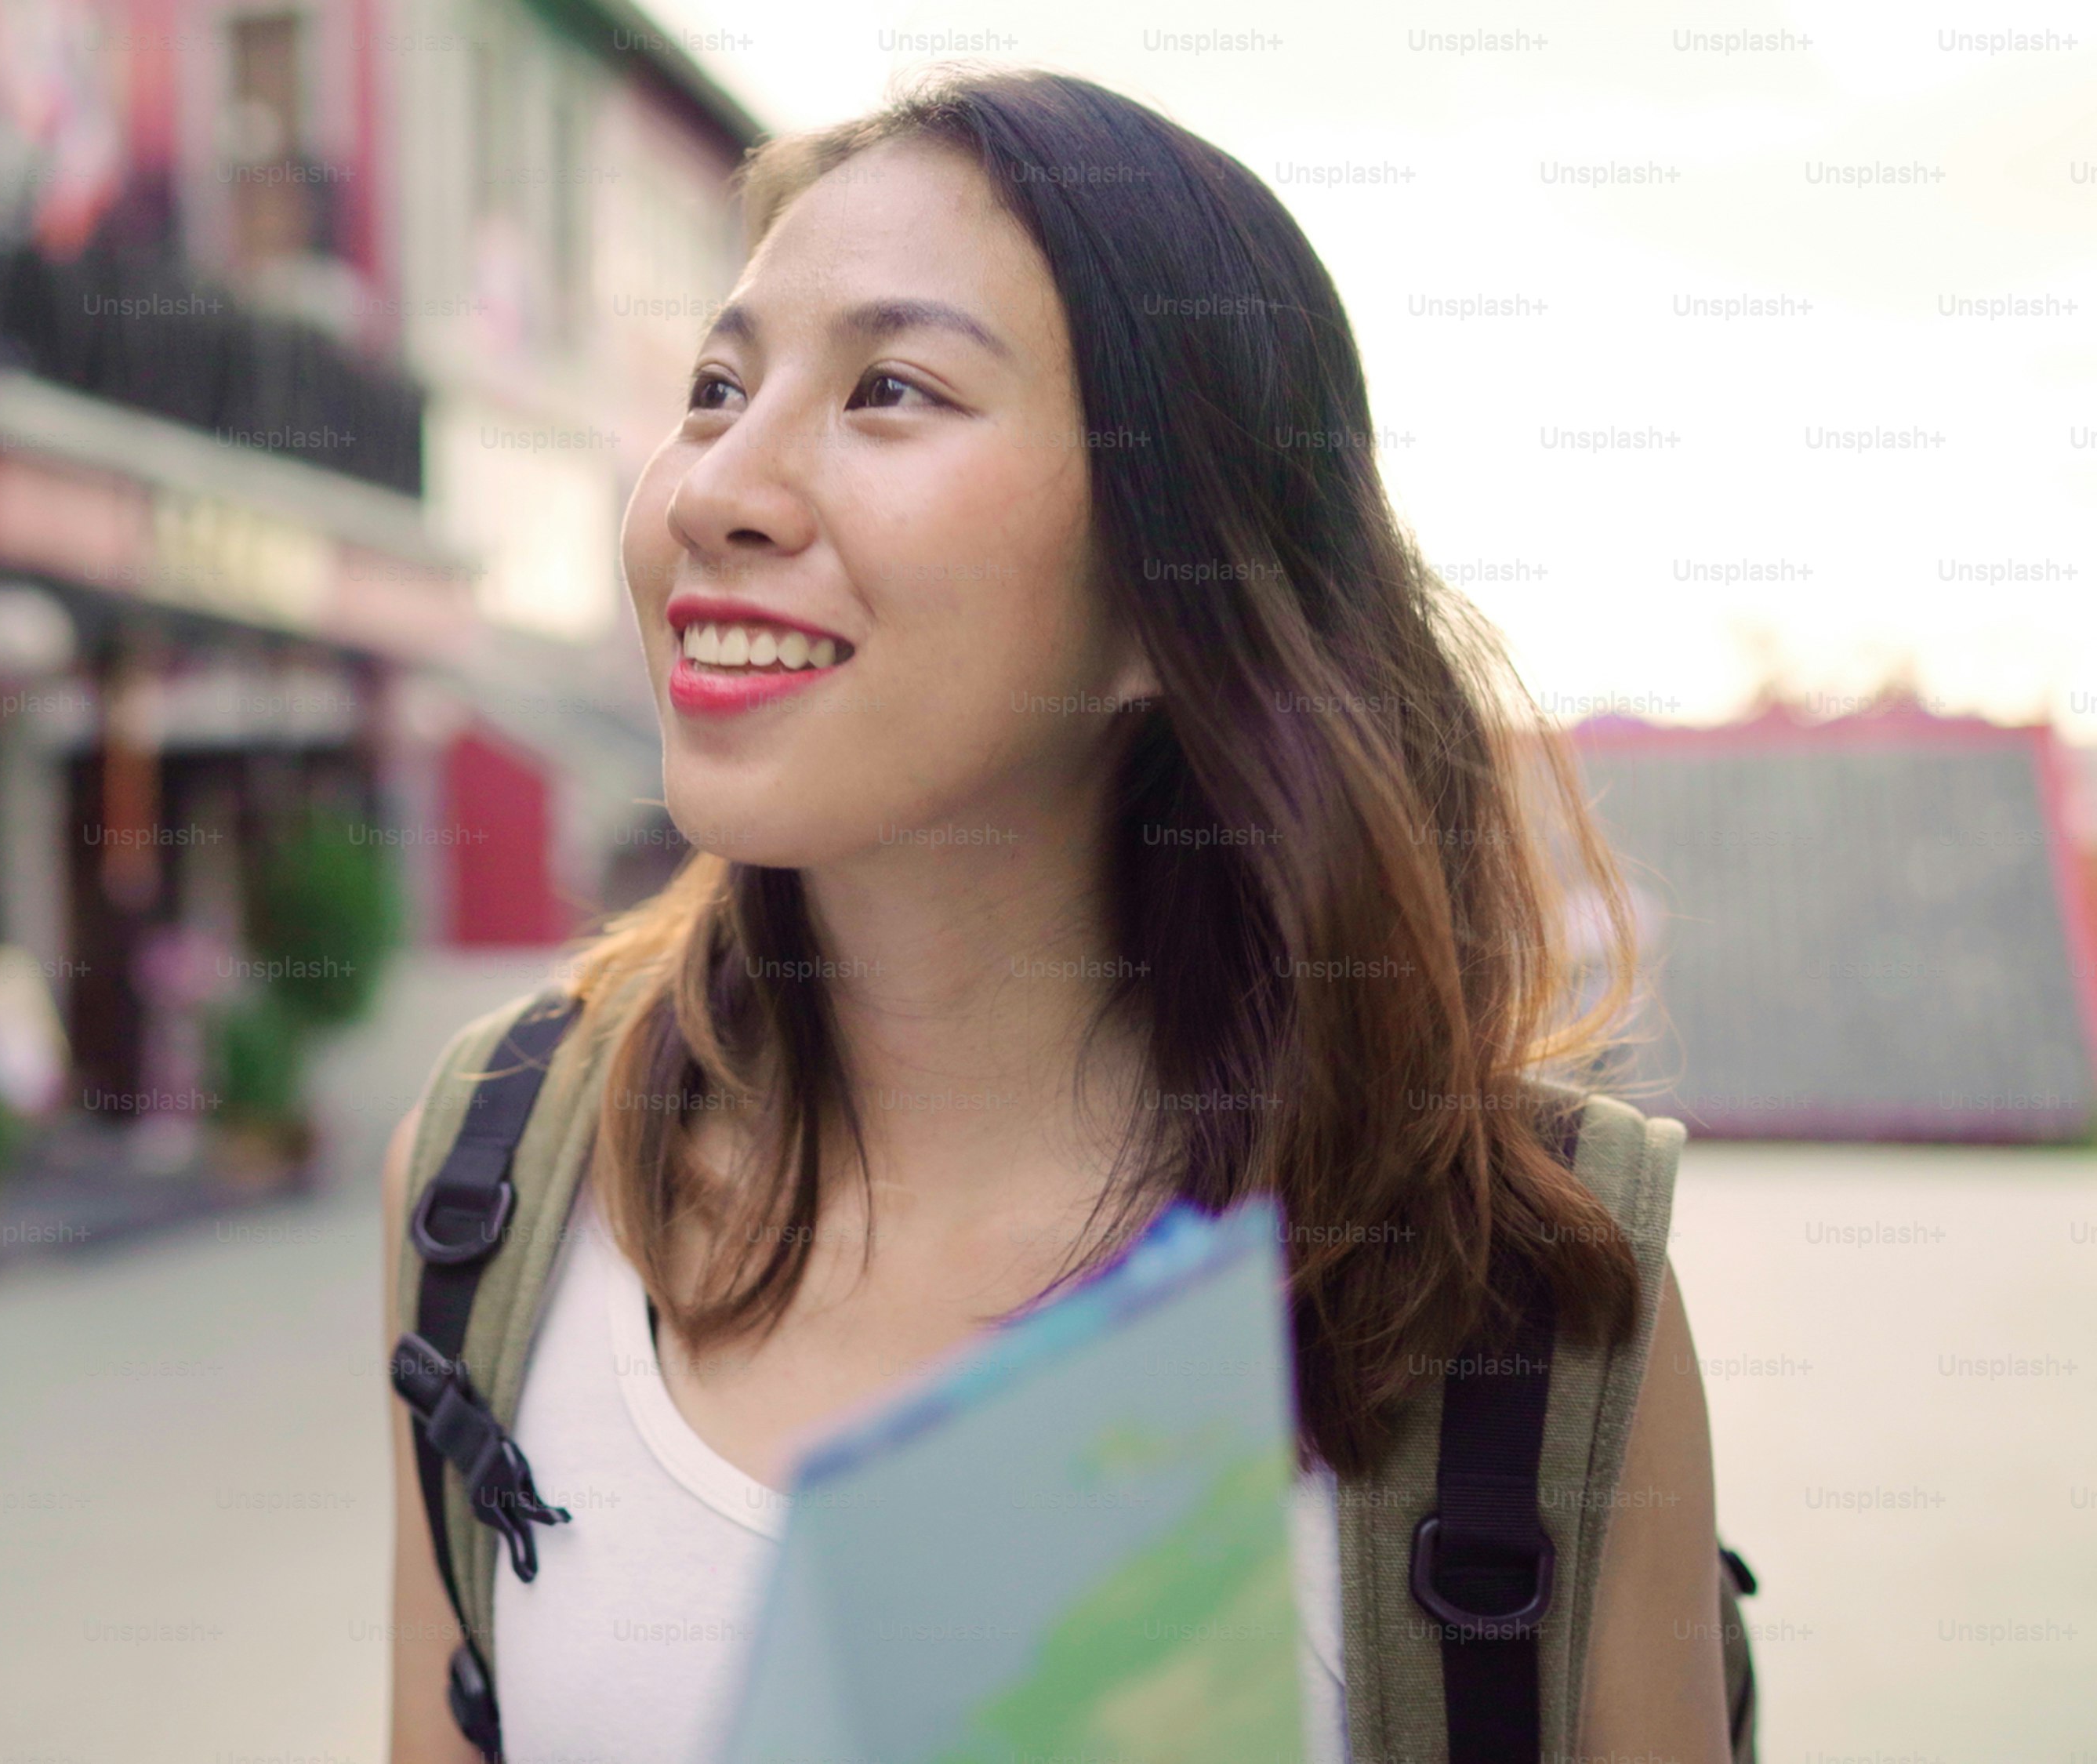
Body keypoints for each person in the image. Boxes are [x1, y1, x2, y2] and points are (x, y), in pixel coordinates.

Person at [383, 67, 1731, 1764]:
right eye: (715, 387)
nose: (714, 487)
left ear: (1170, 596)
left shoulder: (1522, 1293)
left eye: (889, 389)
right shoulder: (490, 1186)